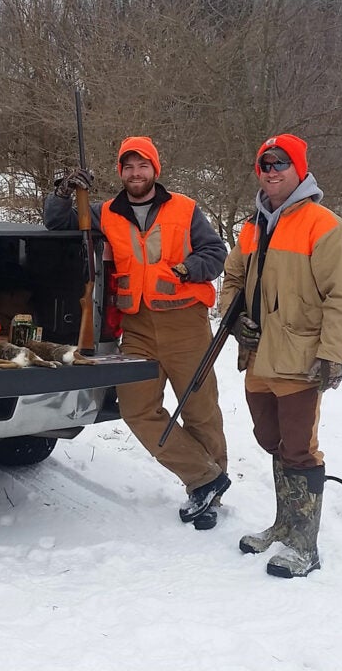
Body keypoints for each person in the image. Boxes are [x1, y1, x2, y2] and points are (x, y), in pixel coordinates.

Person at [45, 136, 231, 529]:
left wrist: (188, 269)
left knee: (201, 410)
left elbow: (216, 253)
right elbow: (58, 221)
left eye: (142, 166)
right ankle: (206, 476)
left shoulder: (185, 209)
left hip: (185, 323)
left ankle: (208, 490)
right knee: (136, 409)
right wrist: (64, 191)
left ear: (154, 169)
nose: (135, 173)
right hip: (138, 328)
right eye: (128, 167)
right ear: (120, 173)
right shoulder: (107, 212)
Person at [220, 133, 342, 578]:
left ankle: (305, 546)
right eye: (264, 163)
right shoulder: (252, 224)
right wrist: (231, 317)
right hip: (258, 354)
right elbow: (232, 279)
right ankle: (284, 525)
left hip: (300, 356)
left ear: (299, 169)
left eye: (281, 162)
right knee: (270, 439)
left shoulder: (324, 225)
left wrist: (333, 353)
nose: (272, 170)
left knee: (299, 448)